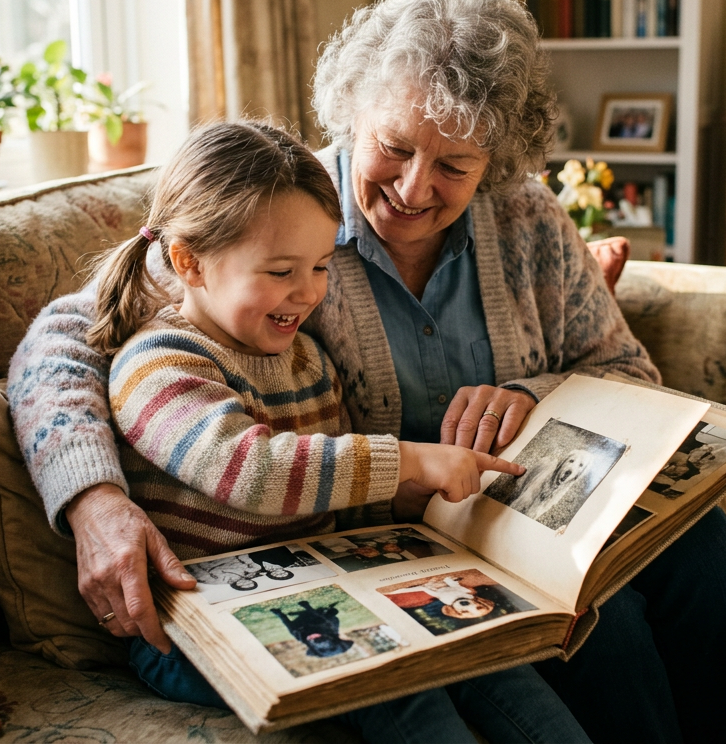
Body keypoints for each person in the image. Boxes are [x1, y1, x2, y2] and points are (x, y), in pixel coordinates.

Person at [8, 0, 726, 743]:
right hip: (396, 535)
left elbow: (629, 374)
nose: (412, 187)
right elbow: (66, 338)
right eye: (393, 147)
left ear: (495, 160)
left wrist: (532, 393)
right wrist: (92, 501)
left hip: (526, 507)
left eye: (453, 166)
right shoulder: (282, 220)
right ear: (351, 115)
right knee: (614, 619)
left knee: (706, 552)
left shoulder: (529, 221)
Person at [75, 119, 584, 740]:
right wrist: (412, 462)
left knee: (497, 663)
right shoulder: (157, 364)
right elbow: (251, 471)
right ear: (189, 262)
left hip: (323, 586)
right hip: (191, 632)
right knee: (408, 700)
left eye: (320, 266)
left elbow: (338, 498)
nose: (309, 291)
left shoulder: (309, 362)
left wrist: (417, 507)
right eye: (280, 271)